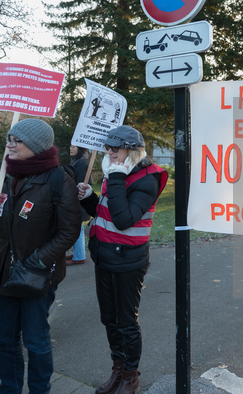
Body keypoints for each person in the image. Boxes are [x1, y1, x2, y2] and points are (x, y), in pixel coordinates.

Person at [0, 118, 82, 394]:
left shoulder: (59, 178)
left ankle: (39, 390)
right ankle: (9, 389)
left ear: (35, 146)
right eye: (9, 140)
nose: (9, 146)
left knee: (35, 341)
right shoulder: (6, 176)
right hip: (5, 273)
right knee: (5, 341)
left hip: (38, 275)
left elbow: (68, 232)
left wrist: (36, 262)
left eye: (16, 141)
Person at [78, 125, 167, 394]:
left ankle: (131, 375)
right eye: (108, 147)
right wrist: (89, 198)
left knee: (127, 321)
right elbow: (104, 211)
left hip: (129, 261)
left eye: (115, 148)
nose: (110, 152)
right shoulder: (115, 172)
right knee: (109, 318)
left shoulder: (146, 179)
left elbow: (124, 219)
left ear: (132, 150)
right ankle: (117, 369)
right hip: (104, 256)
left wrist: (115, 177)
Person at [68, 145, 93, 265]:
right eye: (70, 146)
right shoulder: (78, 161)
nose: (70, 148)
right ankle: (78, 253)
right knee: (77, 228)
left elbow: (83, 183)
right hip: (76, 199)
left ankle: (79, 256)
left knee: (77, 228)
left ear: (81, 148)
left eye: (73, 147)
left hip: (79, 200)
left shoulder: (81, 163)